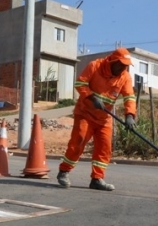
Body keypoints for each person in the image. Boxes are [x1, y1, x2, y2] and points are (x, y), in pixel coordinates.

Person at [57, 47, 137, 191]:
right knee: (78, 141)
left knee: (104, 148)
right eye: (121, 64)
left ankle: (97, 179)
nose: (123, 68)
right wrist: (92, 97)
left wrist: (129, 115)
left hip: (104, 118)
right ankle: (64, 171)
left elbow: (129, 97)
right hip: (85, 113)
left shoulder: (125, 77)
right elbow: (80, 83)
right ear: (113, 61)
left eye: (126, 65)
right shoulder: (95, 66)